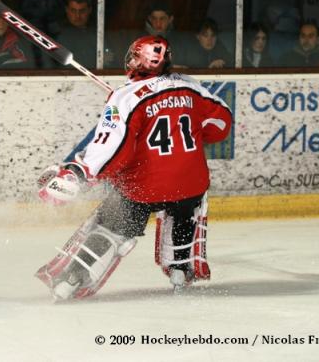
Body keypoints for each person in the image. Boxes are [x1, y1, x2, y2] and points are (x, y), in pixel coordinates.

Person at [36, 36, 232, 300]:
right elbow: (221, 124)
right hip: (189, 182)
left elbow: (111, 147)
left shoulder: (125, 98)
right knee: (186, 207)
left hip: (145, 185)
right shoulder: (190, 86)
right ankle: (180, 270)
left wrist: (78, 172)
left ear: (138, 60)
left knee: (110, 226)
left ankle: (73, 277)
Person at [20, 0, 63, 68]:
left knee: (54, 47)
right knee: (36, 48)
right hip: (37, 24)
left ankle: (57, 65)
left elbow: (61, 4)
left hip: (51, 22)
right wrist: (35, 13)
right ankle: (39, 66)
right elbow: (24, 9)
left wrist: (58, 16)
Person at [143, 0, 189, 67]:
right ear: (149, 19)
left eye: (162, 19)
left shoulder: (180, 41)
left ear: (170, 19)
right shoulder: (140, 40)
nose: (158, 23)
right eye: (154, 18)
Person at [58, 0, 96, 68]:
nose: (77, 16)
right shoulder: (57, 36)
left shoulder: (99, 33)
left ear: (89, 10)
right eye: (73, 10)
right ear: (67, 10)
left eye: (82, 11)